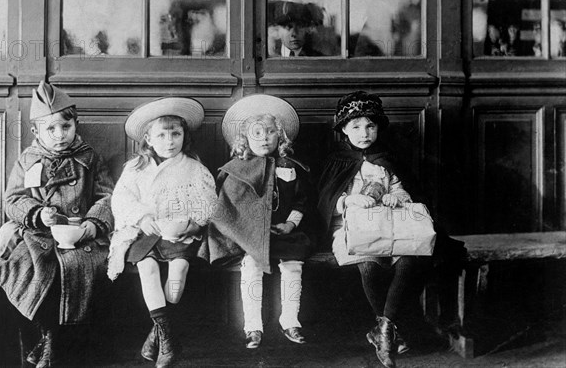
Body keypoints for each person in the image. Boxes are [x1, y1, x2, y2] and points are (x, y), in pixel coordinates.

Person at [0, 81, 114, 368]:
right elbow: (12, 200)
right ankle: (48, 334)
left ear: (76, 125)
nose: (60, 135)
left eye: (66, 127)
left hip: (80, 236)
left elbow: (107, 197)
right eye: (50, 129)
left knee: (74, 268)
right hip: (38, 233)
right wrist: (38, 214)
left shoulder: (90, 158)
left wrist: (91, 224)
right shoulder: (28, 160)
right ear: (36, 131)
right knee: (29, 266)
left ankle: (55, 341)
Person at [317, 91, 431, 368]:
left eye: (370, 125)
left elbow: (402, 189)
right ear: (344, 129)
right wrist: (348, 200)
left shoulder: (387, 160)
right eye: (356, 126)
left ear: (378, 128)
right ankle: (390, 331)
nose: (364, 133)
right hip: (350, 229)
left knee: (407, 260)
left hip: (390, 228)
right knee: (367, 265)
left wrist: (397, 197)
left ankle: (382, 331)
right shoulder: (338, 161)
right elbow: (324, 200)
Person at [107, 97, 216, 368]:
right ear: (148, 138)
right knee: (147, 269)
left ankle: (155, 333)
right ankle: (166, 337)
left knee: (178, 271)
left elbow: (209, 203)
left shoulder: (193, 168)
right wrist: (141, 218)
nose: (170, 141)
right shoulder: (135, 169)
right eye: (162, 135)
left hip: (179, 234)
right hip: (146, 233)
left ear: (184, 136)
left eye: (176, 134)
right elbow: (120, 199)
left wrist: (194, 224)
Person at [204, 95, 312, 349]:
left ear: (280, 136)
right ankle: (253, 326)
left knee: (293, 263)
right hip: (249, 236)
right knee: (251, 264)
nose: (264, 138)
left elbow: (301, 201)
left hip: (283, 232)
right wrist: (246, 232)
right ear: (245, 139)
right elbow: (227, 208)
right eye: (257, 133)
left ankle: (290, 320)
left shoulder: (290, 167)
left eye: (270, 132)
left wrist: (290, 224)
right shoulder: (236, 169)